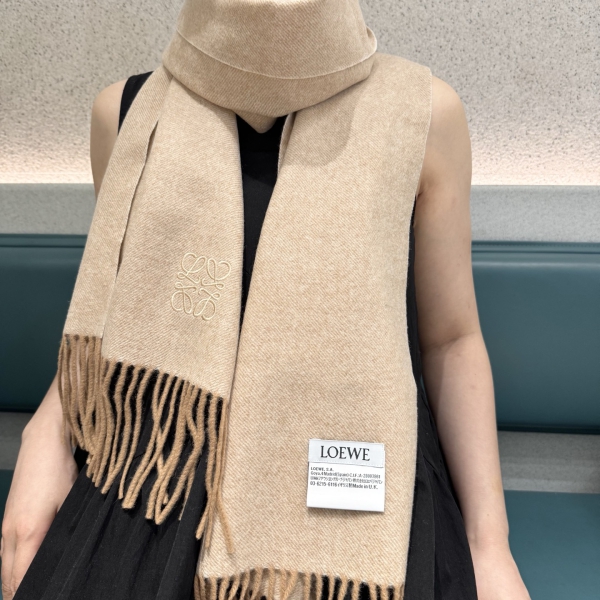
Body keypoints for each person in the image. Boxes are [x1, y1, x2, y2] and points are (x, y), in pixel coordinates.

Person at [1, 1, 530, 599]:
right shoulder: (126, 112)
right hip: (157, 481)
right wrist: (47, 434)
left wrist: (490, 546)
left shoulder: (423, 114)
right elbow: (116, 313)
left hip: (364, 493)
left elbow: (451, 339)